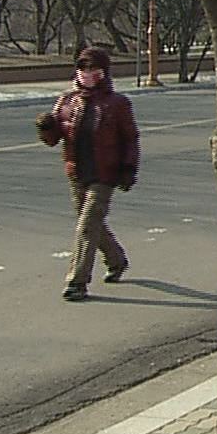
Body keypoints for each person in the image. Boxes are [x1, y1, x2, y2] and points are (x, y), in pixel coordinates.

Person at [36, 47, 140, 302]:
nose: (88, 73)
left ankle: (77, 281)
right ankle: (116, 260)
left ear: (104, 72)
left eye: (93, 68)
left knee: (87, 224)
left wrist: (128, 168)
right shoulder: (67, 101)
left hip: (105, 173)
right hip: (78, 172)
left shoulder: (117, 104)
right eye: (83, 68)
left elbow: (130, 138)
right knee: (92, 224)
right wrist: (46, 126)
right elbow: (53, 139)